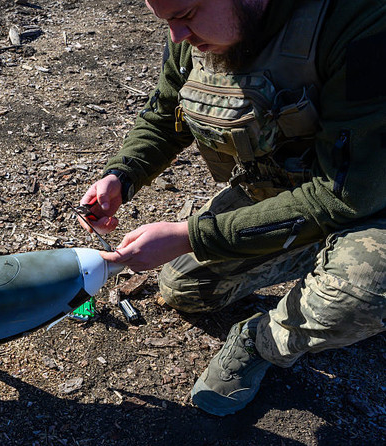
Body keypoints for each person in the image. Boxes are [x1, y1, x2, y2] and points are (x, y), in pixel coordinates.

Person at [80, 0, 386, 416]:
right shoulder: (196, 33)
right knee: (185, 288)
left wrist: (191, 236)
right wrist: (122, 175)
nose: (177, 36)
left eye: (185, 16)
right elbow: (165, 115)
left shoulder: (361, 26)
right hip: (295, 188)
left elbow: (346, 194)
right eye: (166, 21)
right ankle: (313, 251)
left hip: (369, 195)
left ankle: (261, 342)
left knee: (360, 293)